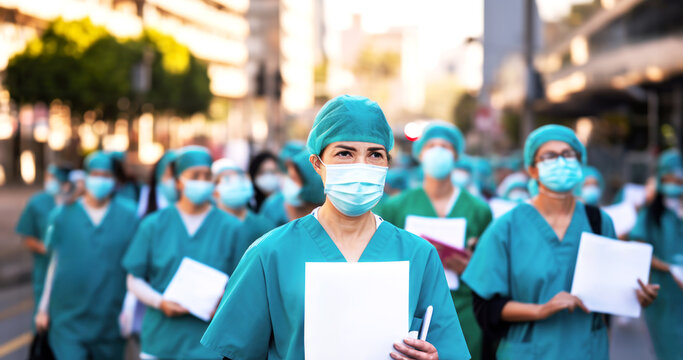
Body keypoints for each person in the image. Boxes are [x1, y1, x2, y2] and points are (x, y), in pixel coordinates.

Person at [202, 95, 470, 360]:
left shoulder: (419, 256)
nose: (361, 165)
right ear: (317, 164)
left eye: (375, 154)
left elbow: (445, 349)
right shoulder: (270, 253)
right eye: (345, 153)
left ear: (387, 164)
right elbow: (237, 352)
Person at [462, 125, 659, 360]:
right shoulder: (507, 227)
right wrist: (541, 309)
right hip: (528, 351)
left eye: (568, 154)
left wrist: (636, 295)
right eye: (549, 156)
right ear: (533, 169)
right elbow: (486, 307)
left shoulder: (598, 221)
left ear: (580, 163)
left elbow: (611, 295)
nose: (561, 161)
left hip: (588, 350)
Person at [377, 121, 492, 360]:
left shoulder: (479, 209)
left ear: (457, 154)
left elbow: (490, 270)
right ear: (420, 153)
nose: (438, 151)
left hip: (463, 310)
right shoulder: (396, 206)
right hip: (409, 308)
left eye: (445, 146)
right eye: (431, 145)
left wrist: (470, 267)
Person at [122, 145, 242, 360]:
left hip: (209, 343)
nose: (202, 181)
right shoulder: (154, 224)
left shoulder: (231, 227)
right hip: (161, 340)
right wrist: (160, 302)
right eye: (195, 175)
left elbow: (241, 283)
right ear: (178, 181)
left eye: (207, 176)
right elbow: (133, 280)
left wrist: (223, 304)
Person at [34, 152, 139, 360]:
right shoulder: (62, 214)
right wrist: (43, 307)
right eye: (96, 174)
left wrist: (130, 308)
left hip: (110, 319)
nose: (101, 180)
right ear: (86, 176)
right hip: (67, 318)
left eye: (107, 175)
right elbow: (54, 263)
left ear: (115, 180)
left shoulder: (129, 215)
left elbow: (135, 267)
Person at [630, 149, 683, 360]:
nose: (673, 182)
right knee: (670, 348)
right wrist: (671, 268)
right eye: (668, 178)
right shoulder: (650, 213)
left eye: (677, 178)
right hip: (663, 291)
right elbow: (639, 248)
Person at [16, 164, 70, 314]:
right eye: (48, 177)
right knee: (43, 312)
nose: (50, 181)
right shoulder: (37, 202)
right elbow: (26, 234)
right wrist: (45, 249)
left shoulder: (73, 203)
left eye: (54, 177)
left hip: (69, 271)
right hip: (44, 267)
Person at [212, 158, 276, 256]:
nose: (236, 183)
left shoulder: (264, 225)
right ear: (214, 191)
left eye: (240, 177)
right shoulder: (210, 227)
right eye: (227, 179)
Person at [260, 149, 326, 225]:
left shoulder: (324, 218)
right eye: (288, 176)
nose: (288, 183)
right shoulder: (274, 206)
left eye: (293, 179)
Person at [137, 150, 178, 217]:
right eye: (168, 175)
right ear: (159, 174)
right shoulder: (149, 193)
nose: (172, 180)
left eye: (175, 175)